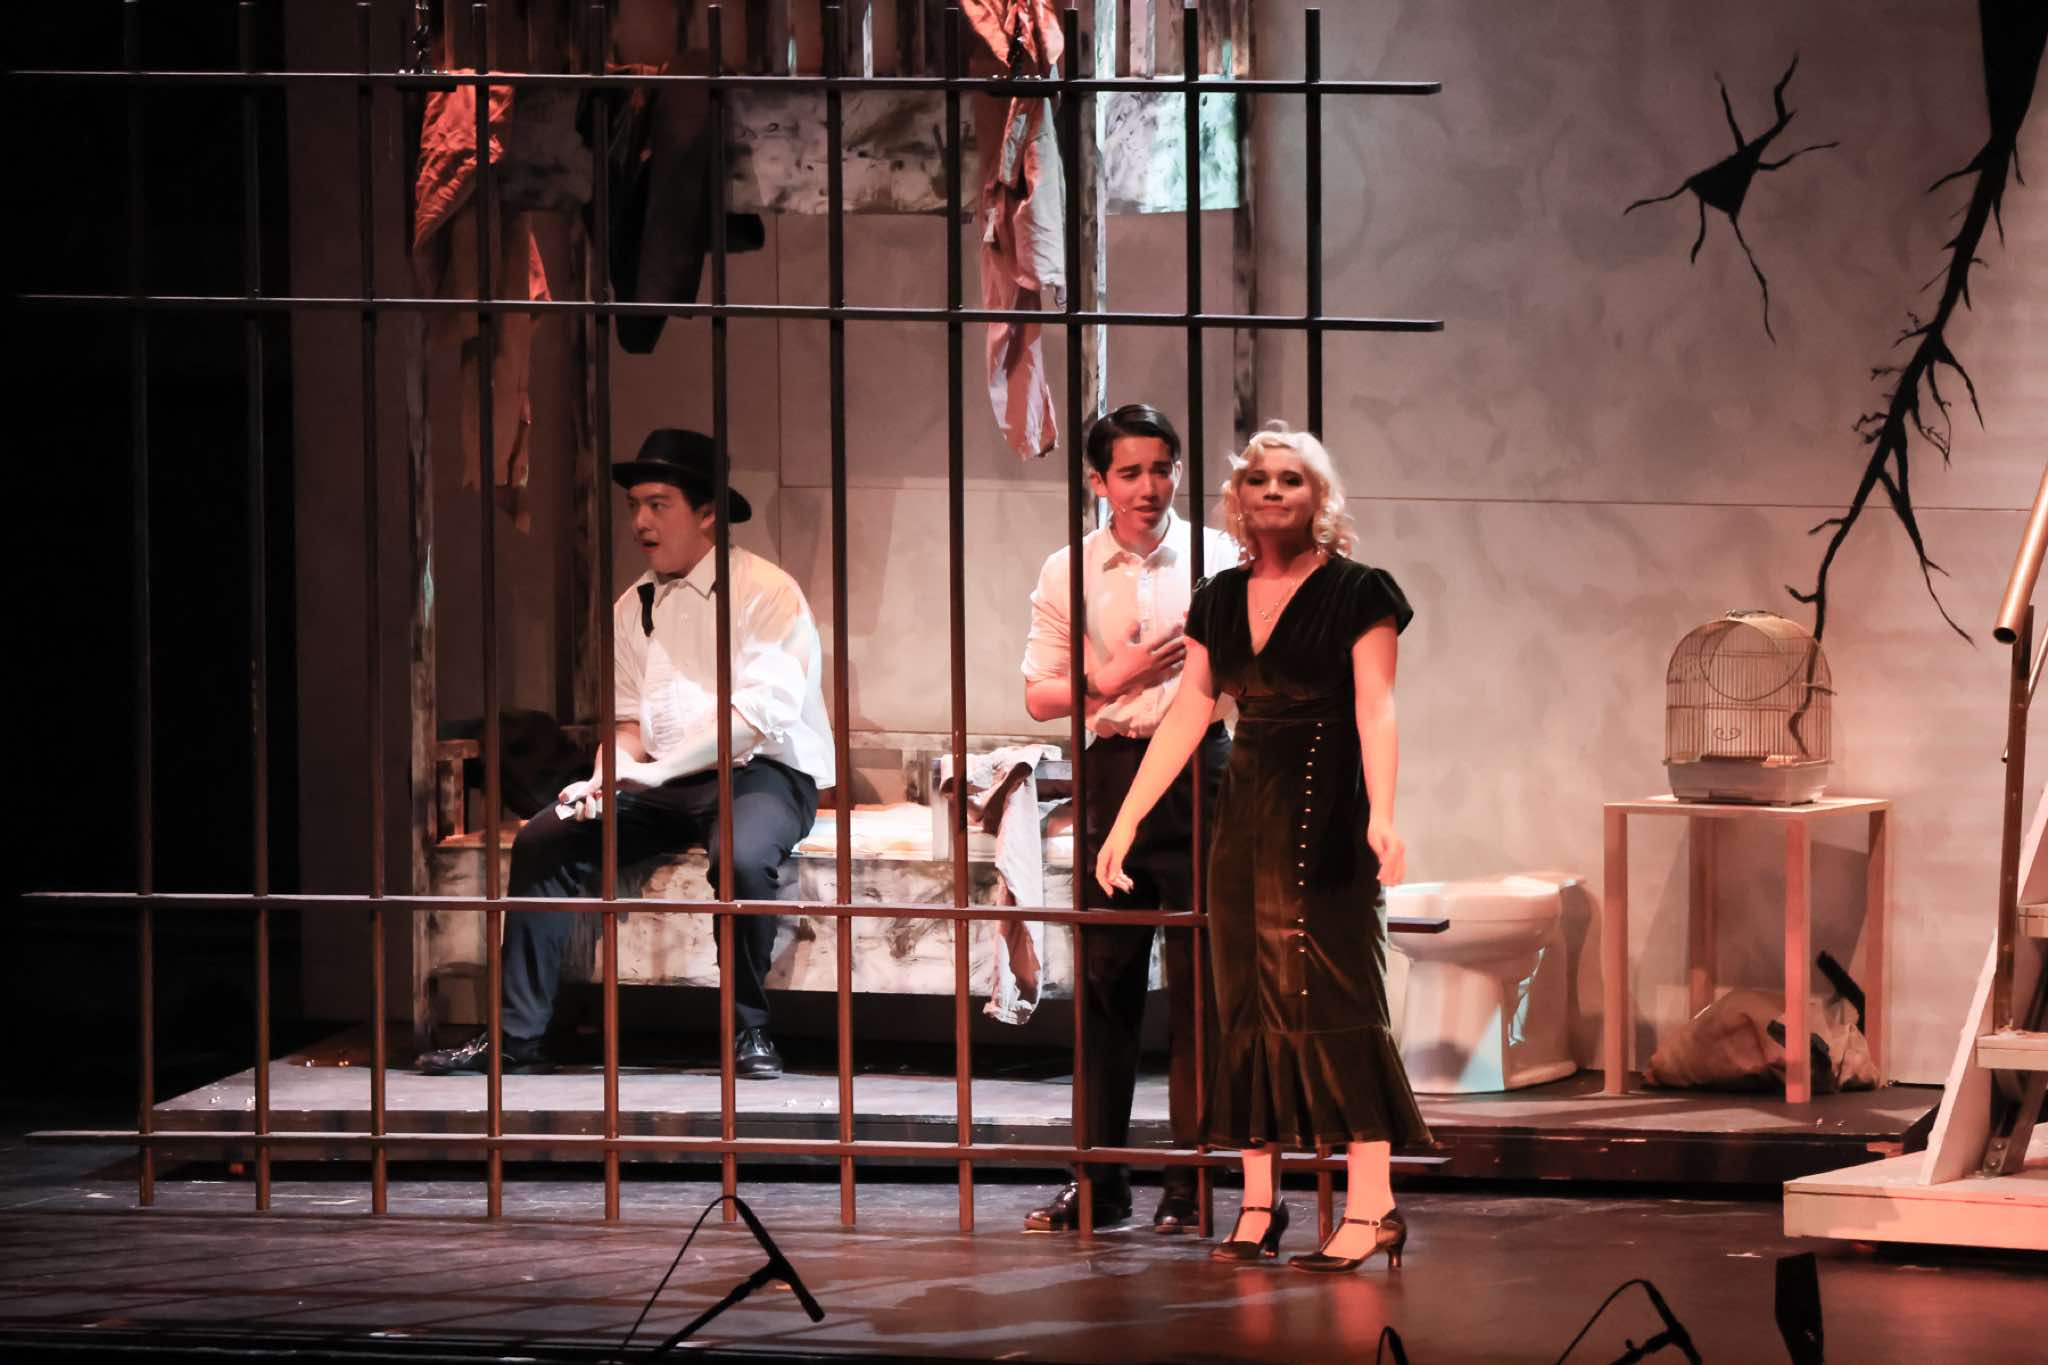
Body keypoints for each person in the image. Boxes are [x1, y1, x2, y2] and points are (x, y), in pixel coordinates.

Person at [1094, 422, 1430, 1272]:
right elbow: (1191, 709)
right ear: (1238, 499)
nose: (1274, 491)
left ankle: (1373, 1205)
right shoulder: (1218, 597)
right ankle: (1256, 1203)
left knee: (1336, 996)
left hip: (1328, 812)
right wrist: (1128, 817)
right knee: (1241, 1002)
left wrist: (1385, 814)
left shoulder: (1359, 591)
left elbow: (1377, 707)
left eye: (1292, 479)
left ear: (1320, 498)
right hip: (1244, 817)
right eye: (1259, 479)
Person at [417, 428, 834, 1081]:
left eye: (658, 504)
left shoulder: (766, 592)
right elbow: (633, 724)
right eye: (636, 505)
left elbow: (754, 720)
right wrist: (605, 775)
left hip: (761, 773)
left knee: (744, 857)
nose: (640, 521)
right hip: (661, 783)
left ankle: (747, 1029)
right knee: (545, 838)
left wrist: (652, 770)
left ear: (706, 514)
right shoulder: (631, 605)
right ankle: (515, 1037)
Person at [1018, 403, 1239, 1234]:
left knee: (1200, 987)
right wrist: (1109, 679)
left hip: (1201, 769)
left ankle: (1191, 1183)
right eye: (1130, 472)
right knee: (1106, 983)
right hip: (1112, 768)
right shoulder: (1067, 568)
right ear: (1098, 481)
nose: (1149, 486)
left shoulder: (1218, 557)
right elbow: (1038, 695)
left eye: (1162, 468)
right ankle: (1099, 1181)